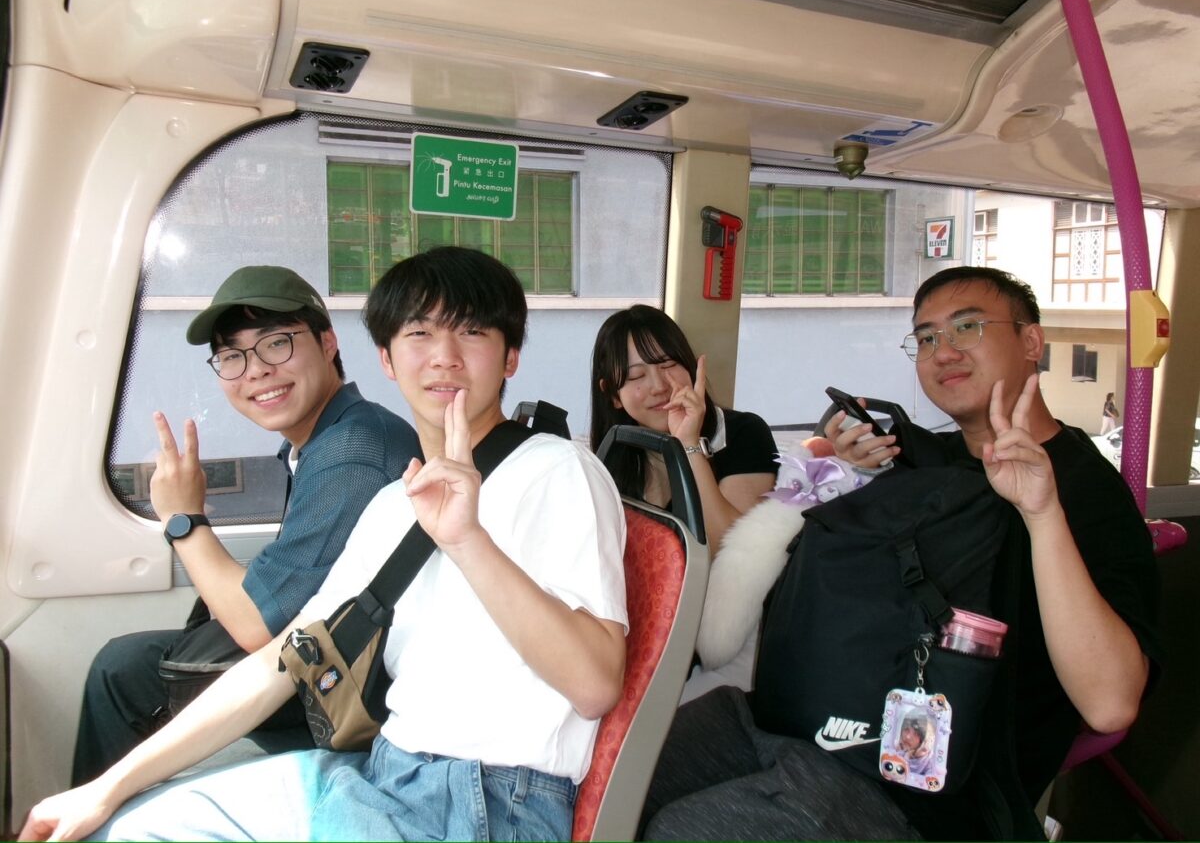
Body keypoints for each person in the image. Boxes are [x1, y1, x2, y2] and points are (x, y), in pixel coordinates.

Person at [24, 246, 627, 843]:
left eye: (471, 331)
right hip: (380, 771)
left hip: (482, 800)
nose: (444, 356)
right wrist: (108, 786)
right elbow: (280, 661)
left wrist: (469, 541)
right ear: (387, 359)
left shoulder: (557, 470)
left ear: (510, 357)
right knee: (125, 827)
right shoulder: (394, 503)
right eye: (419, 333)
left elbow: (595, 684)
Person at [638, 266, 1160, 841]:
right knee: (616, 778)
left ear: (1031, 341)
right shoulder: (918, 457)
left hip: (917, 786)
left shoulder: (1085, 491)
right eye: (927, 337)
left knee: (681, 830)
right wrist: (847, 475)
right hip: (802, 715)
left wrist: (1041, 514)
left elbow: (1111, 705)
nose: (944, 351)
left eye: (967, 327)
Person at [71, 265, 421, 784]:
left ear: (327, 342)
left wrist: (183, 518)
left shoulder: (352, 451)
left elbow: (258, 626)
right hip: (333, 656)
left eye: (276, 343)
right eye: (232, 356)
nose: (255, 370)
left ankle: (92, 813)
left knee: (122, 671)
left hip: (354, 691)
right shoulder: (325, 440)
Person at [589, 305, 776, 700]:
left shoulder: (743, 433)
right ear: (613, 395)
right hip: (644, 635)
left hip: (721, 645)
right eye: (636, 376)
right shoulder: (616, 454)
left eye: (668, 365)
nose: (659, 385)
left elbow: (733, 553)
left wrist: (688, 444)